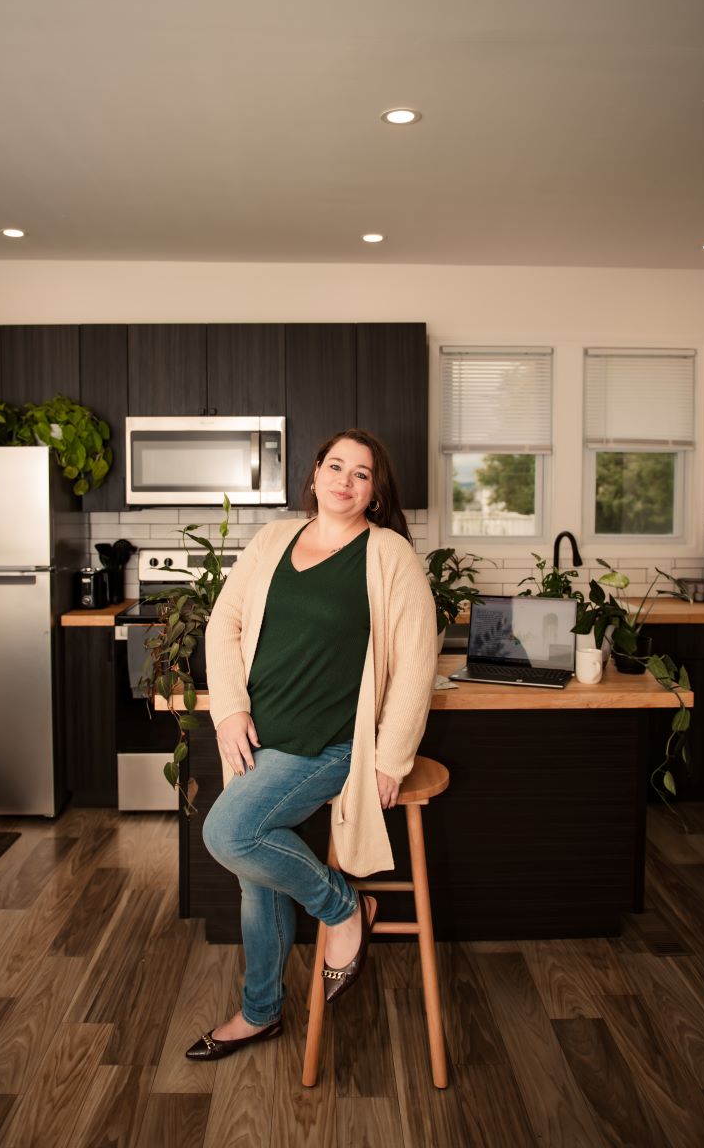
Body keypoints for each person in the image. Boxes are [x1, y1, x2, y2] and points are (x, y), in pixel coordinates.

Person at [185, 428, 437, 1061]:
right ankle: (260, 1012)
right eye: (335, 466)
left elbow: (414, 663)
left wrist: (390, 759)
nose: (344, 480)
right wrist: (229, 711)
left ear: (375, 493)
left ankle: (344, 907)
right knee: (255, 874)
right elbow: (225, 624)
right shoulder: (273, 540)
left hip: (330, 747)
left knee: (230, 836)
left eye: (361, 473)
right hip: (260, 739)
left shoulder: (389, 555)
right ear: (316, 474)